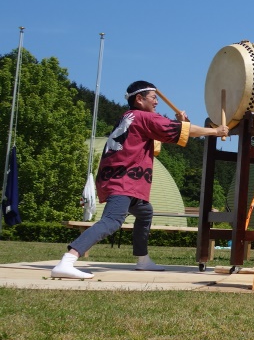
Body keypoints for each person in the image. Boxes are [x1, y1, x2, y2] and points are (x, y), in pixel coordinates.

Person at [51, 81, 229, 279]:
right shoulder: (144, 117)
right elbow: (181, 132)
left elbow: (159, 145)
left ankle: (143, 260)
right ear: (139, 99)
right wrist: (215, 131)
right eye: (153, 97)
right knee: (112, 221)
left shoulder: (128, 117)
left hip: (122, 177)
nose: (156, 102)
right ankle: (67, 260)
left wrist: (180, 125)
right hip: (124, 179)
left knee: (145, 212)